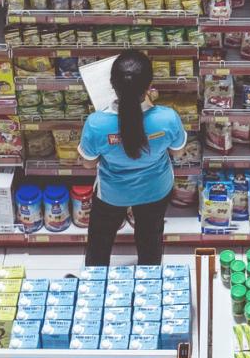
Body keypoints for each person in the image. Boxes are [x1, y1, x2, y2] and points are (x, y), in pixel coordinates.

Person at [78, 50, 187, 266]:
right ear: (149, 85)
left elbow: (88, 163)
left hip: (112, 193)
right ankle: (149, 281)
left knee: (100, 240)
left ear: (112, 85)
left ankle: (96, 287)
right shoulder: (167, 118)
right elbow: (178, 152)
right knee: (150, 238)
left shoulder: (96, 123)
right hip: (155, 190)